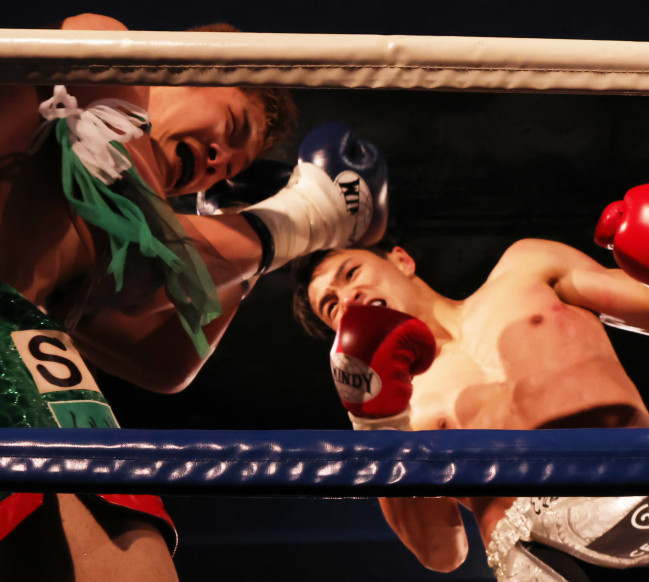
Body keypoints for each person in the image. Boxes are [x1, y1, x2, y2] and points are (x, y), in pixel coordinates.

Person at [0, 12, 387, 581]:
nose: (218, 160)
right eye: (230, 126)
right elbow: (153, 244)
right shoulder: (101, 47)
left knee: (133, 558)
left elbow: (167, 358)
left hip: (19, 340)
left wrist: (248, 244)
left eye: (230, 167)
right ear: (183, 66)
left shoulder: (86, 245)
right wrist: (299, 220)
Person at [291, 183, 649, 581]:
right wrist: (375, 427)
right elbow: (442, 553)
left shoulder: (526, 267)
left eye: (350, 273)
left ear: (401, 260)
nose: (348, 299)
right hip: (539, 551)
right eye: (331, 306)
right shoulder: (394, 414)